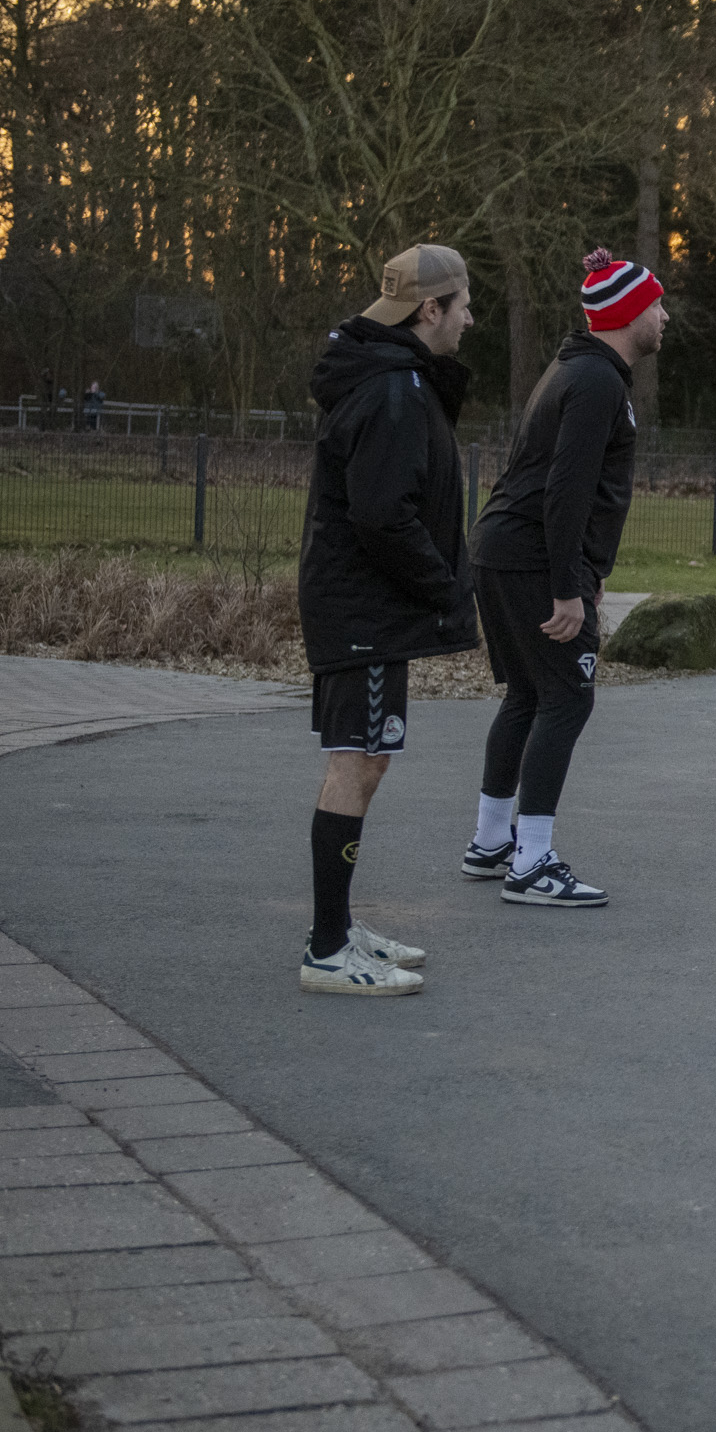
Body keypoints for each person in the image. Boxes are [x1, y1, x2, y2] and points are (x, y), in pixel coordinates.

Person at [295, 244, 481, 996]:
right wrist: (445, 590)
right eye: (463, 305)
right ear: (428, 310)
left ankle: (338, 928)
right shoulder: (395, 392)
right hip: (363, 611)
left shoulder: (395, 382)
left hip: (367, 608)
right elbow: (382, 517)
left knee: (368, 757)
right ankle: (328, 948)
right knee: (357, 759)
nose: (471, 319)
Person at [462, 249, 661, 905]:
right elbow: (566, 492)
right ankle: (532, 863)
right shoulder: (597, 382)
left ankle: (493, 841)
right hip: (528, 558)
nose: (664, 316)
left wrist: (583, 572)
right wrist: (566, 586)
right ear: (630, 314)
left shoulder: (577, 368)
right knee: (567, 698)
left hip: (504, 548)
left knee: (527, 693)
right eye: (656, 304)